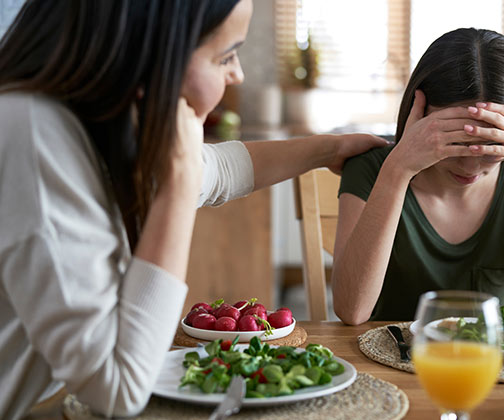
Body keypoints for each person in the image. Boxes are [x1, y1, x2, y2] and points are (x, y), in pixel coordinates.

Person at [0, 1, 386, 418]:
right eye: (225, 56)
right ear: (154, 51)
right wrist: (178, 189)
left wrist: (328, 149)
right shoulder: (36, 140)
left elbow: (218, 169)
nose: (237, 73)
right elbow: (118, 389)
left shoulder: (91, 119)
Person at [332, 28, 504, 326]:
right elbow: (352, 310)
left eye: (490, 146)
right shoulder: (374, 170)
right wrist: (397, 171)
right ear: (420, 115)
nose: (470, 165)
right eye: (454, 142)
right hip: (387, 366)